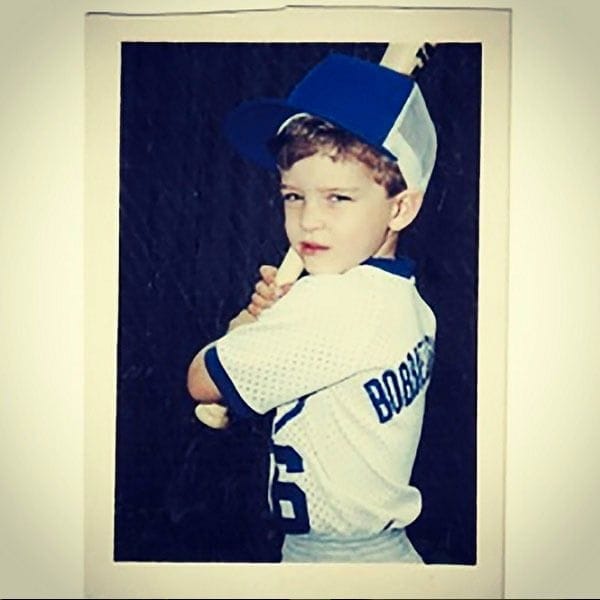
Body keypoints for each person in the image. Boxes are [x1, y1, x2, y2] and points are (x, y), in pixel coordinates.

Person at [187, 52, 437, 562]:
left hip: (330, 564)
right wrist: (267, 324)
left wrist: (249, 326)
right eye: (294, 196)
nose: (309, 223)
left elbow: (201, 381)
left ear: (400, 207)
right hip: (388, 555)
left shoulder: (330, 304)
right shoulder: (408, 303)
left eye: (338, 198)